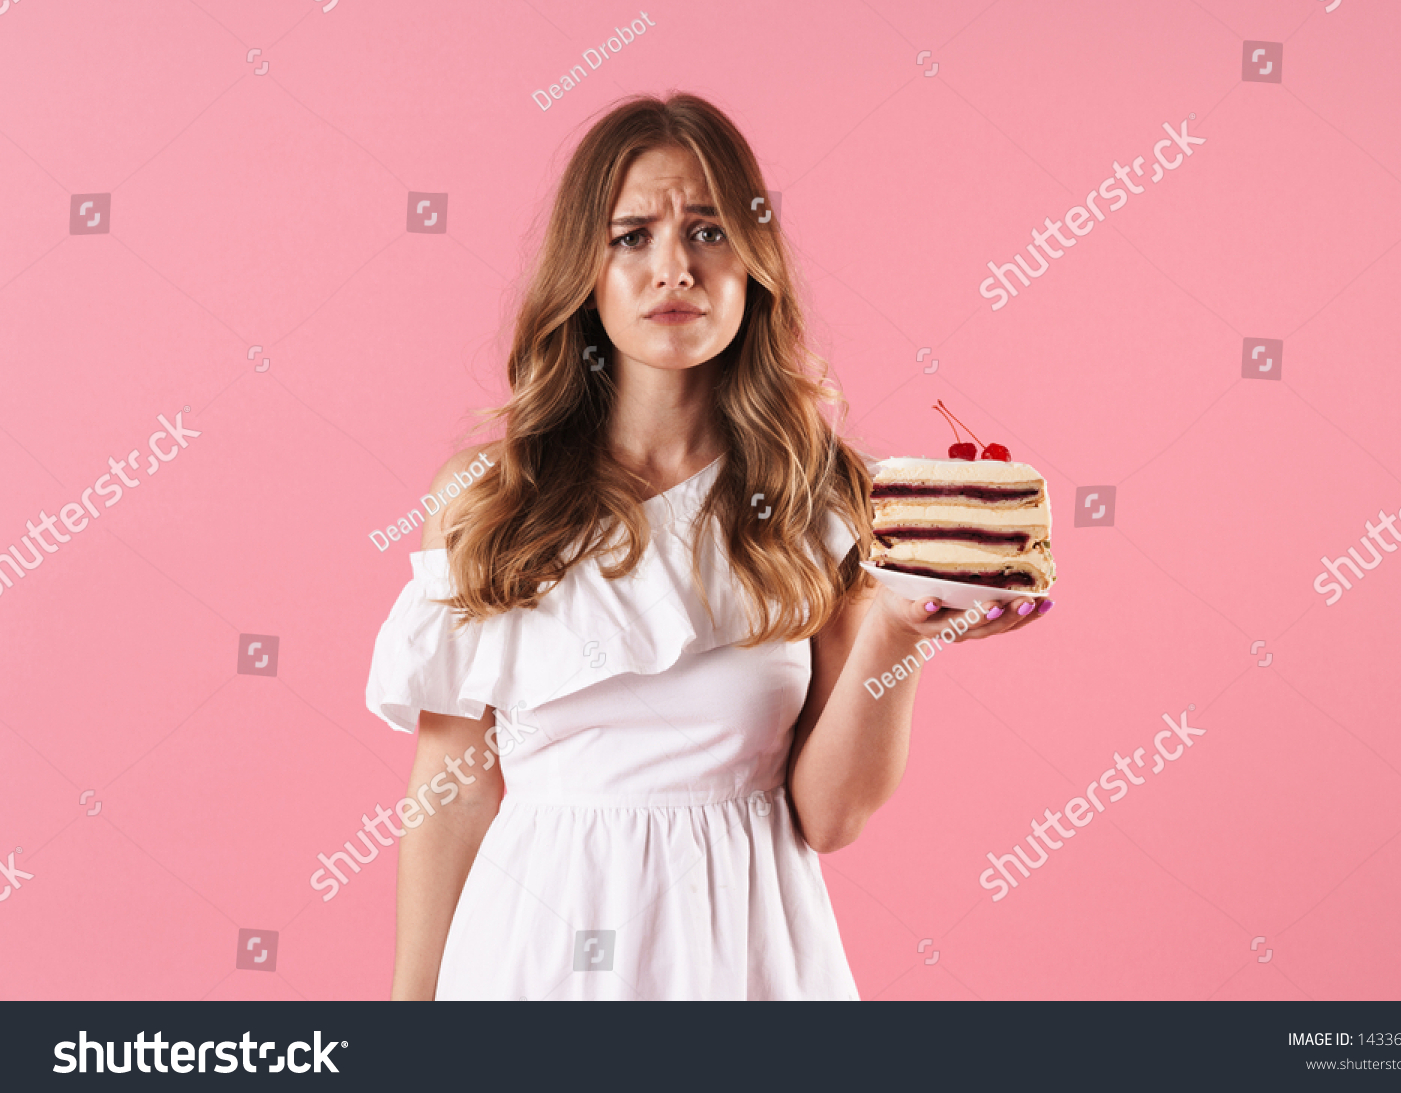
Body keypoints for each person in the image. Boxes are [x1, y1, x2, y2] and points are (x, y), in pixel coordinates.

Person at [365, 92, 1053, 1001]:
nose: (674, 268)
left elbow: (832, 813)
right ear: (587, 269)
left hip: (748, 959)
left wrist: (902, 630)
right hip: (532, 961)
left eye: (709, 232)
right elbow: (449, 795)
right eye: (631, 236)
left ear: (753, 266)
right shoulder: (488, 503)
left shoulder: (829, 500)